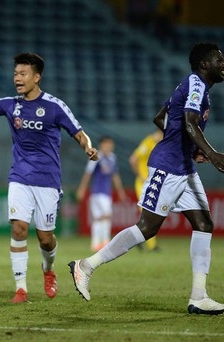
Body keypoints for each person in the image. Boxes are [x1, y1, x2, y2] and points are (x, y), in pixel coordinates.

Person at [69, 42, 224, 315]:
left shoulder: (196, 88)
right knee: (147, 228)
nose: (223, 65)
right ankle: (86, 265)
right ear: (204, 64)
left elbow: (160, 117)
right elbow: (188, 122)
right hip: (166, 167)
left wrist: (190, 147)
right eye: (219, 60)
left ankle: (199, 296)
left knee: (204, 223)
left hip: (183, 167)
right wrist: (211, 154)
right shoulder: (197, 84)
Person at [0, 53, 99, 303]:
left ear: (37, 77)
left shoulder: (54, 106)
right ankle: (21, 288)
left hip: (48, 180)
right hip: (19, 177)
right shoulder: (10, 104)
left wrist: (88, 148)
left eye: (23, 74)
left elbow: (79, 132)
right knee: (19, 228)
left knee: (45, 238)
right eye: (16, 74)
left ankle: (48, 270)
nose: (17, 78)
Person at [76, 136, 126, 252]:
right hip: (97, 192)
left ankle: (96, 243)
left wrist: (120, 191)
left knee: (100, 218)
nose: (109, 147)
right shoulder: (95, 156)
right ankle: (104, 242)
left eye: (110, 145)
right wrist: (82, 189)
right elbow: (88, 174)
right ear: (102, 145)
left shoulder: (113, 158)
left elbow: (115, 176)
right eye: (107, 145)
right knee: (106, 215)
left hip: (106, 192)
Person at [129, 129, 163, 251]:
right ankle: (151, 245)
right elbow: (133, 159)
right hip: (144, 183)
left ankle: (137, 238)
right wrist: (140, 175)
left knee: (151, 213)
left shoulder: (161, 145)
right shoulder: (149, 142)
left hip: (153, 184)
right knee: (148, 212)